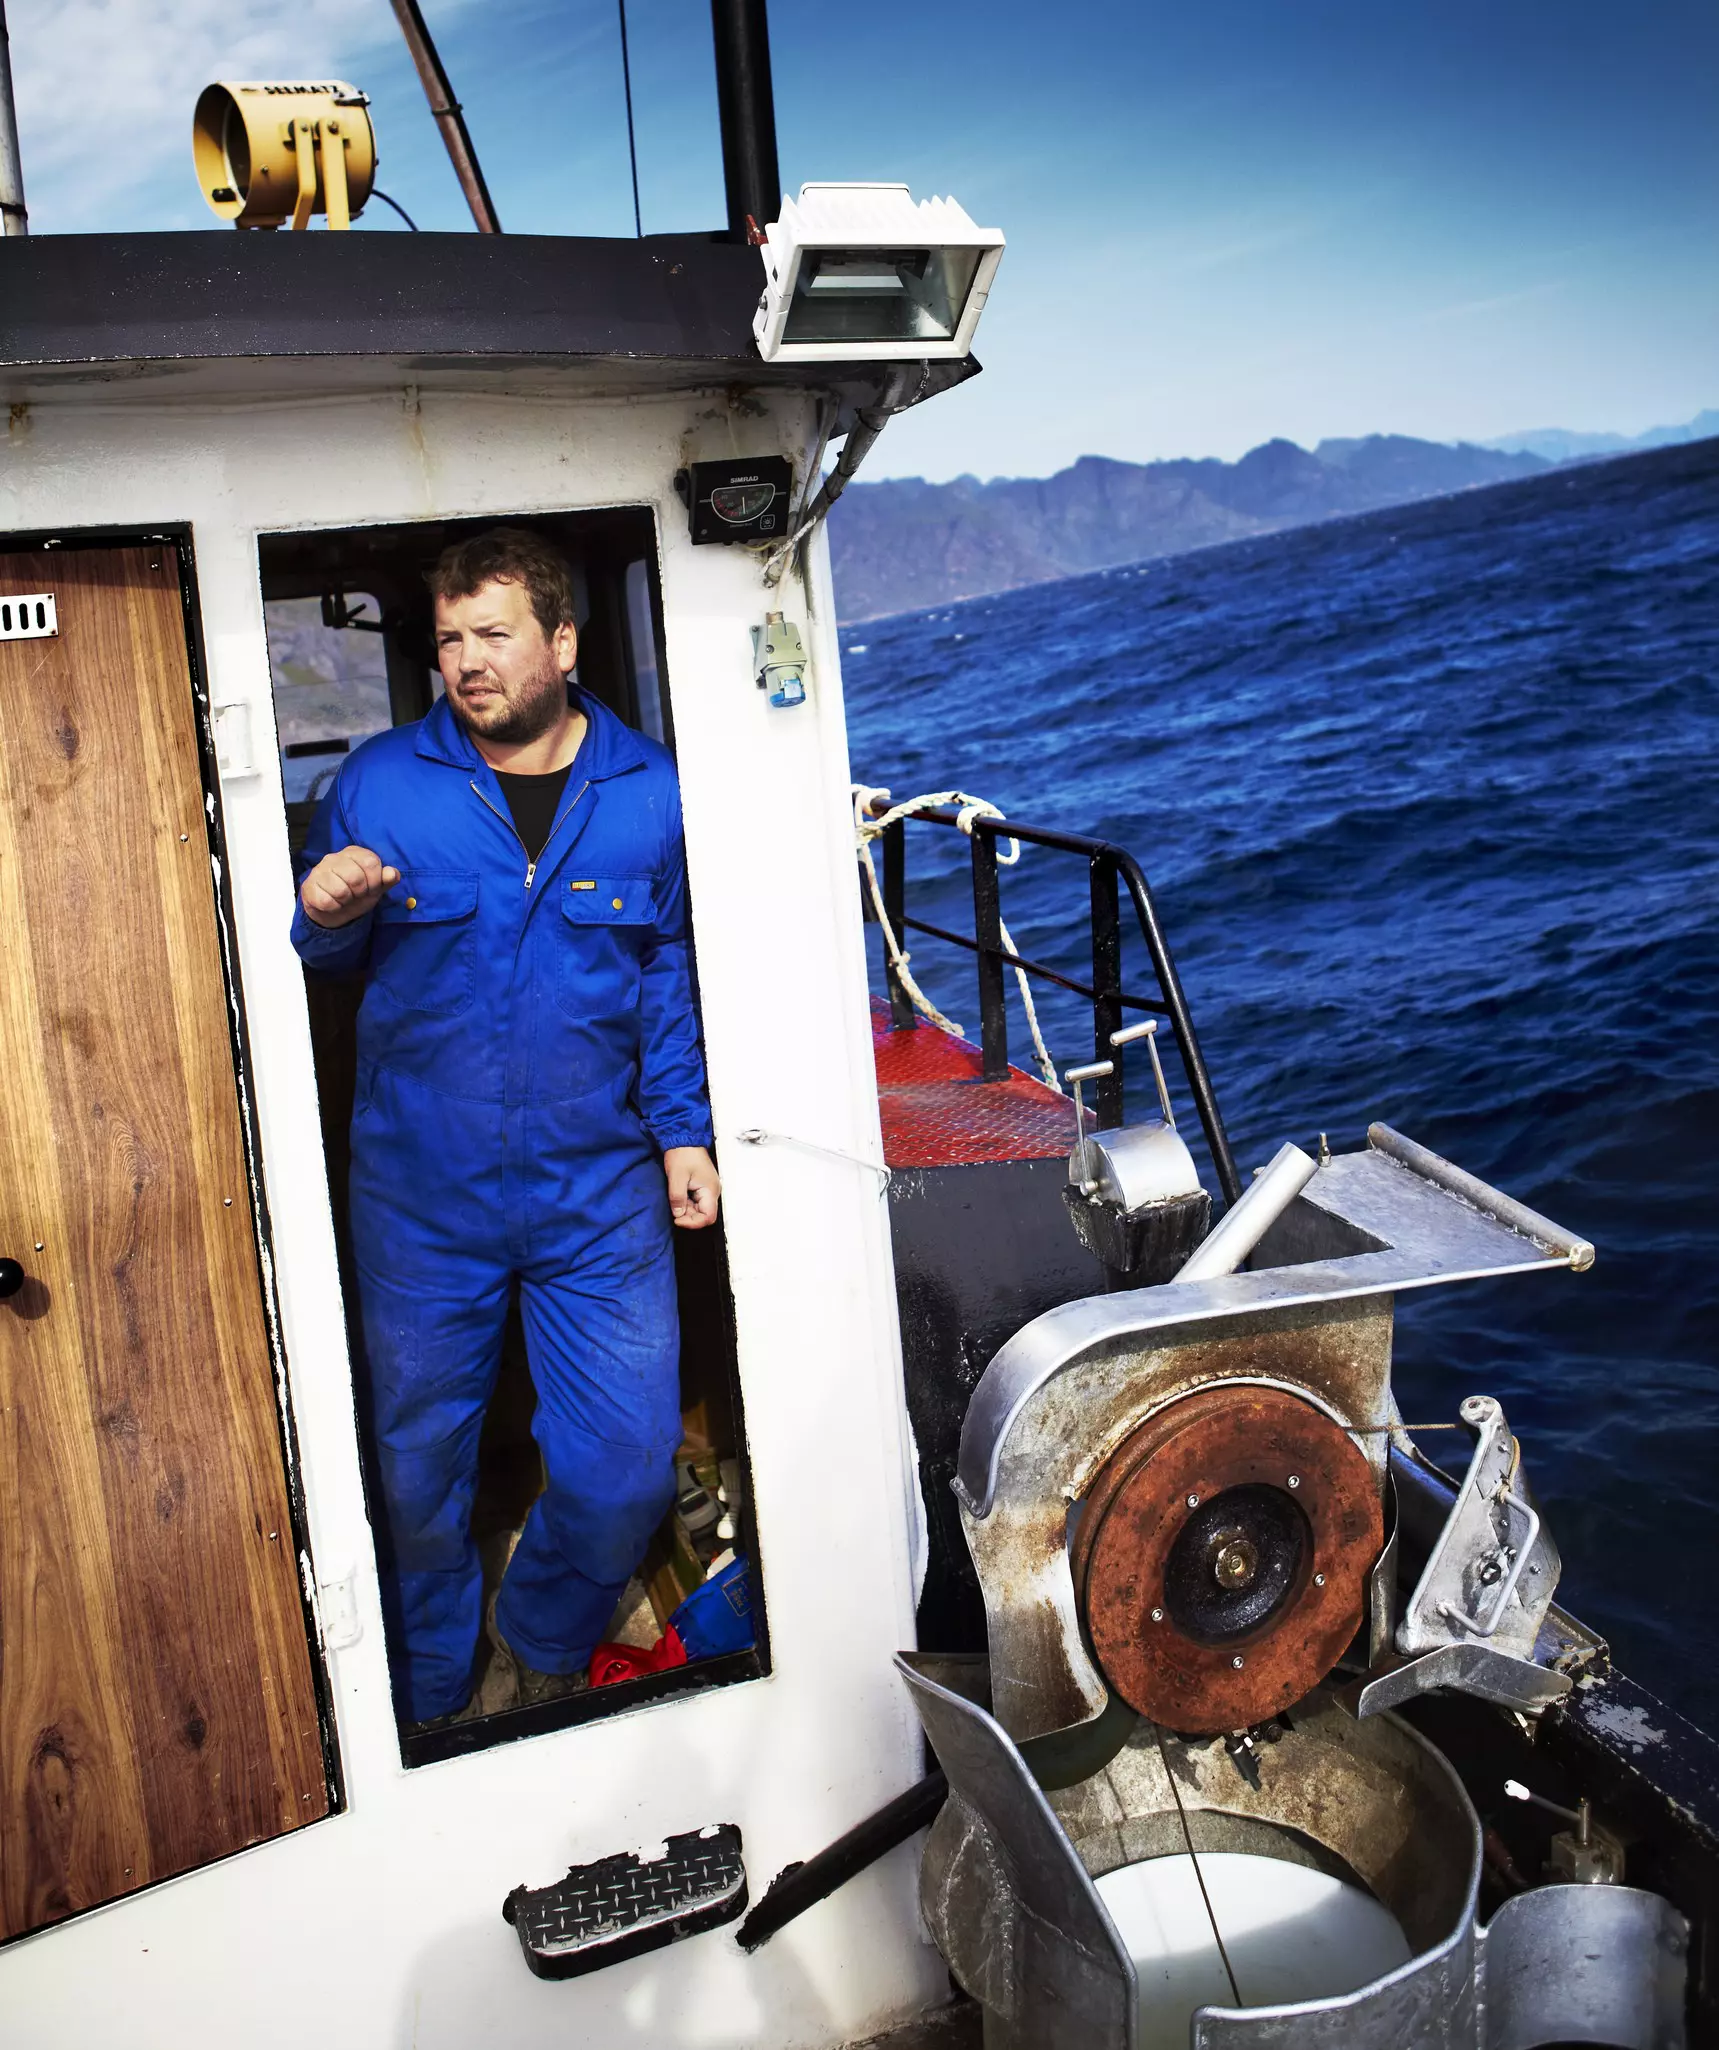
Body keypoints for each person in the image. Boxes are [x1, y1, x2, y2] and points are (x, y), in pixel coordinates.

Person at [290, 526, 720, 1728]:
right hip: (421, 1201)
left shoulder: (651, 793)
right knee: (419, 1471)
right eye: (446, 641)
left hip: (599, 1193)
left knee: (626, 1466)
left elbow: (666, 975)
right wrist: (322, 908)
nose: (465, 663)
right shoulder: (379, 783)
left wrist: (683, 1134)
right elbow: (325, 953)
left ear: (563, 641)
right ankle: (431, 1680)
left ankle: (543, 1628)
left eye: (492, 635)